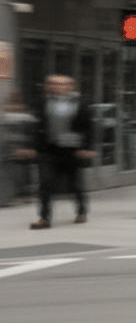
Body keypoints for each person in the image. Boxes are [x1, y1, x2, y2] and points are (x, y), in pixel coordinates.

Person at [26, 74, 95, 229]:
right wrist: (33, 147)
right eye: (52, 83)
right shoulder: (42, 102)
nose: (55, 86)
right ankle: (44, 218)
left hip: (72, 150)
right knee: (45, 183)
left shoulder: (80, 103)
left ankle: (81, 211)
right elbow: (35, 127)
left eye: (60, 84)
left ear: (71, 86)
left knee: (75, 183)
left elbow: (89, 127)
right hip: (48, 149)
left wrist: (86, 148)